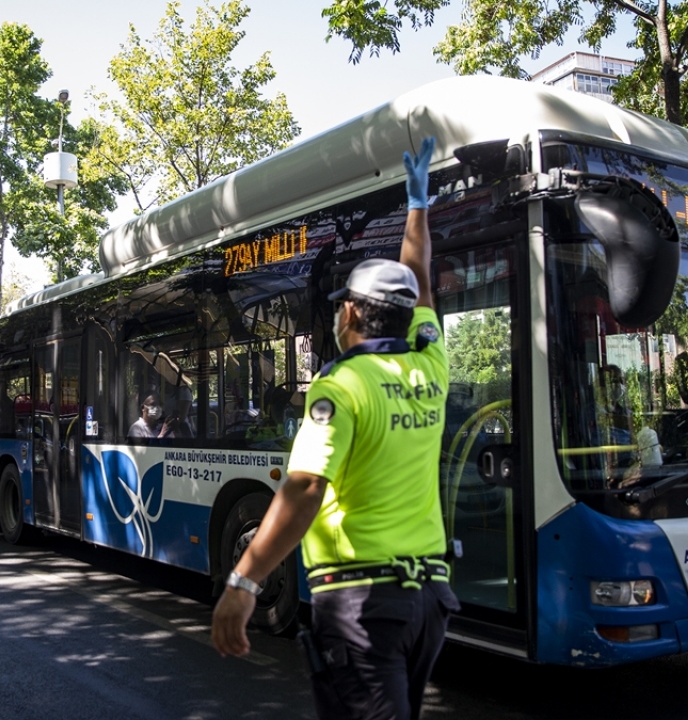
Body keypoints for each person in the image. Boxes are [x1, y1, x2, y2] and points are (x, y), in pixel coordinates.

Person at [211, 138, 459, 719]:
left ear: (349, 313)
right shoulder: (430, 365)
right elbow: (418, 279)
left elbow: (304, 487)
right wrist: (417, 203)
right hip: (427, 601)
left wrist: (244, 582)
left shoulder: (340, 387)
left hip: (362, 603)